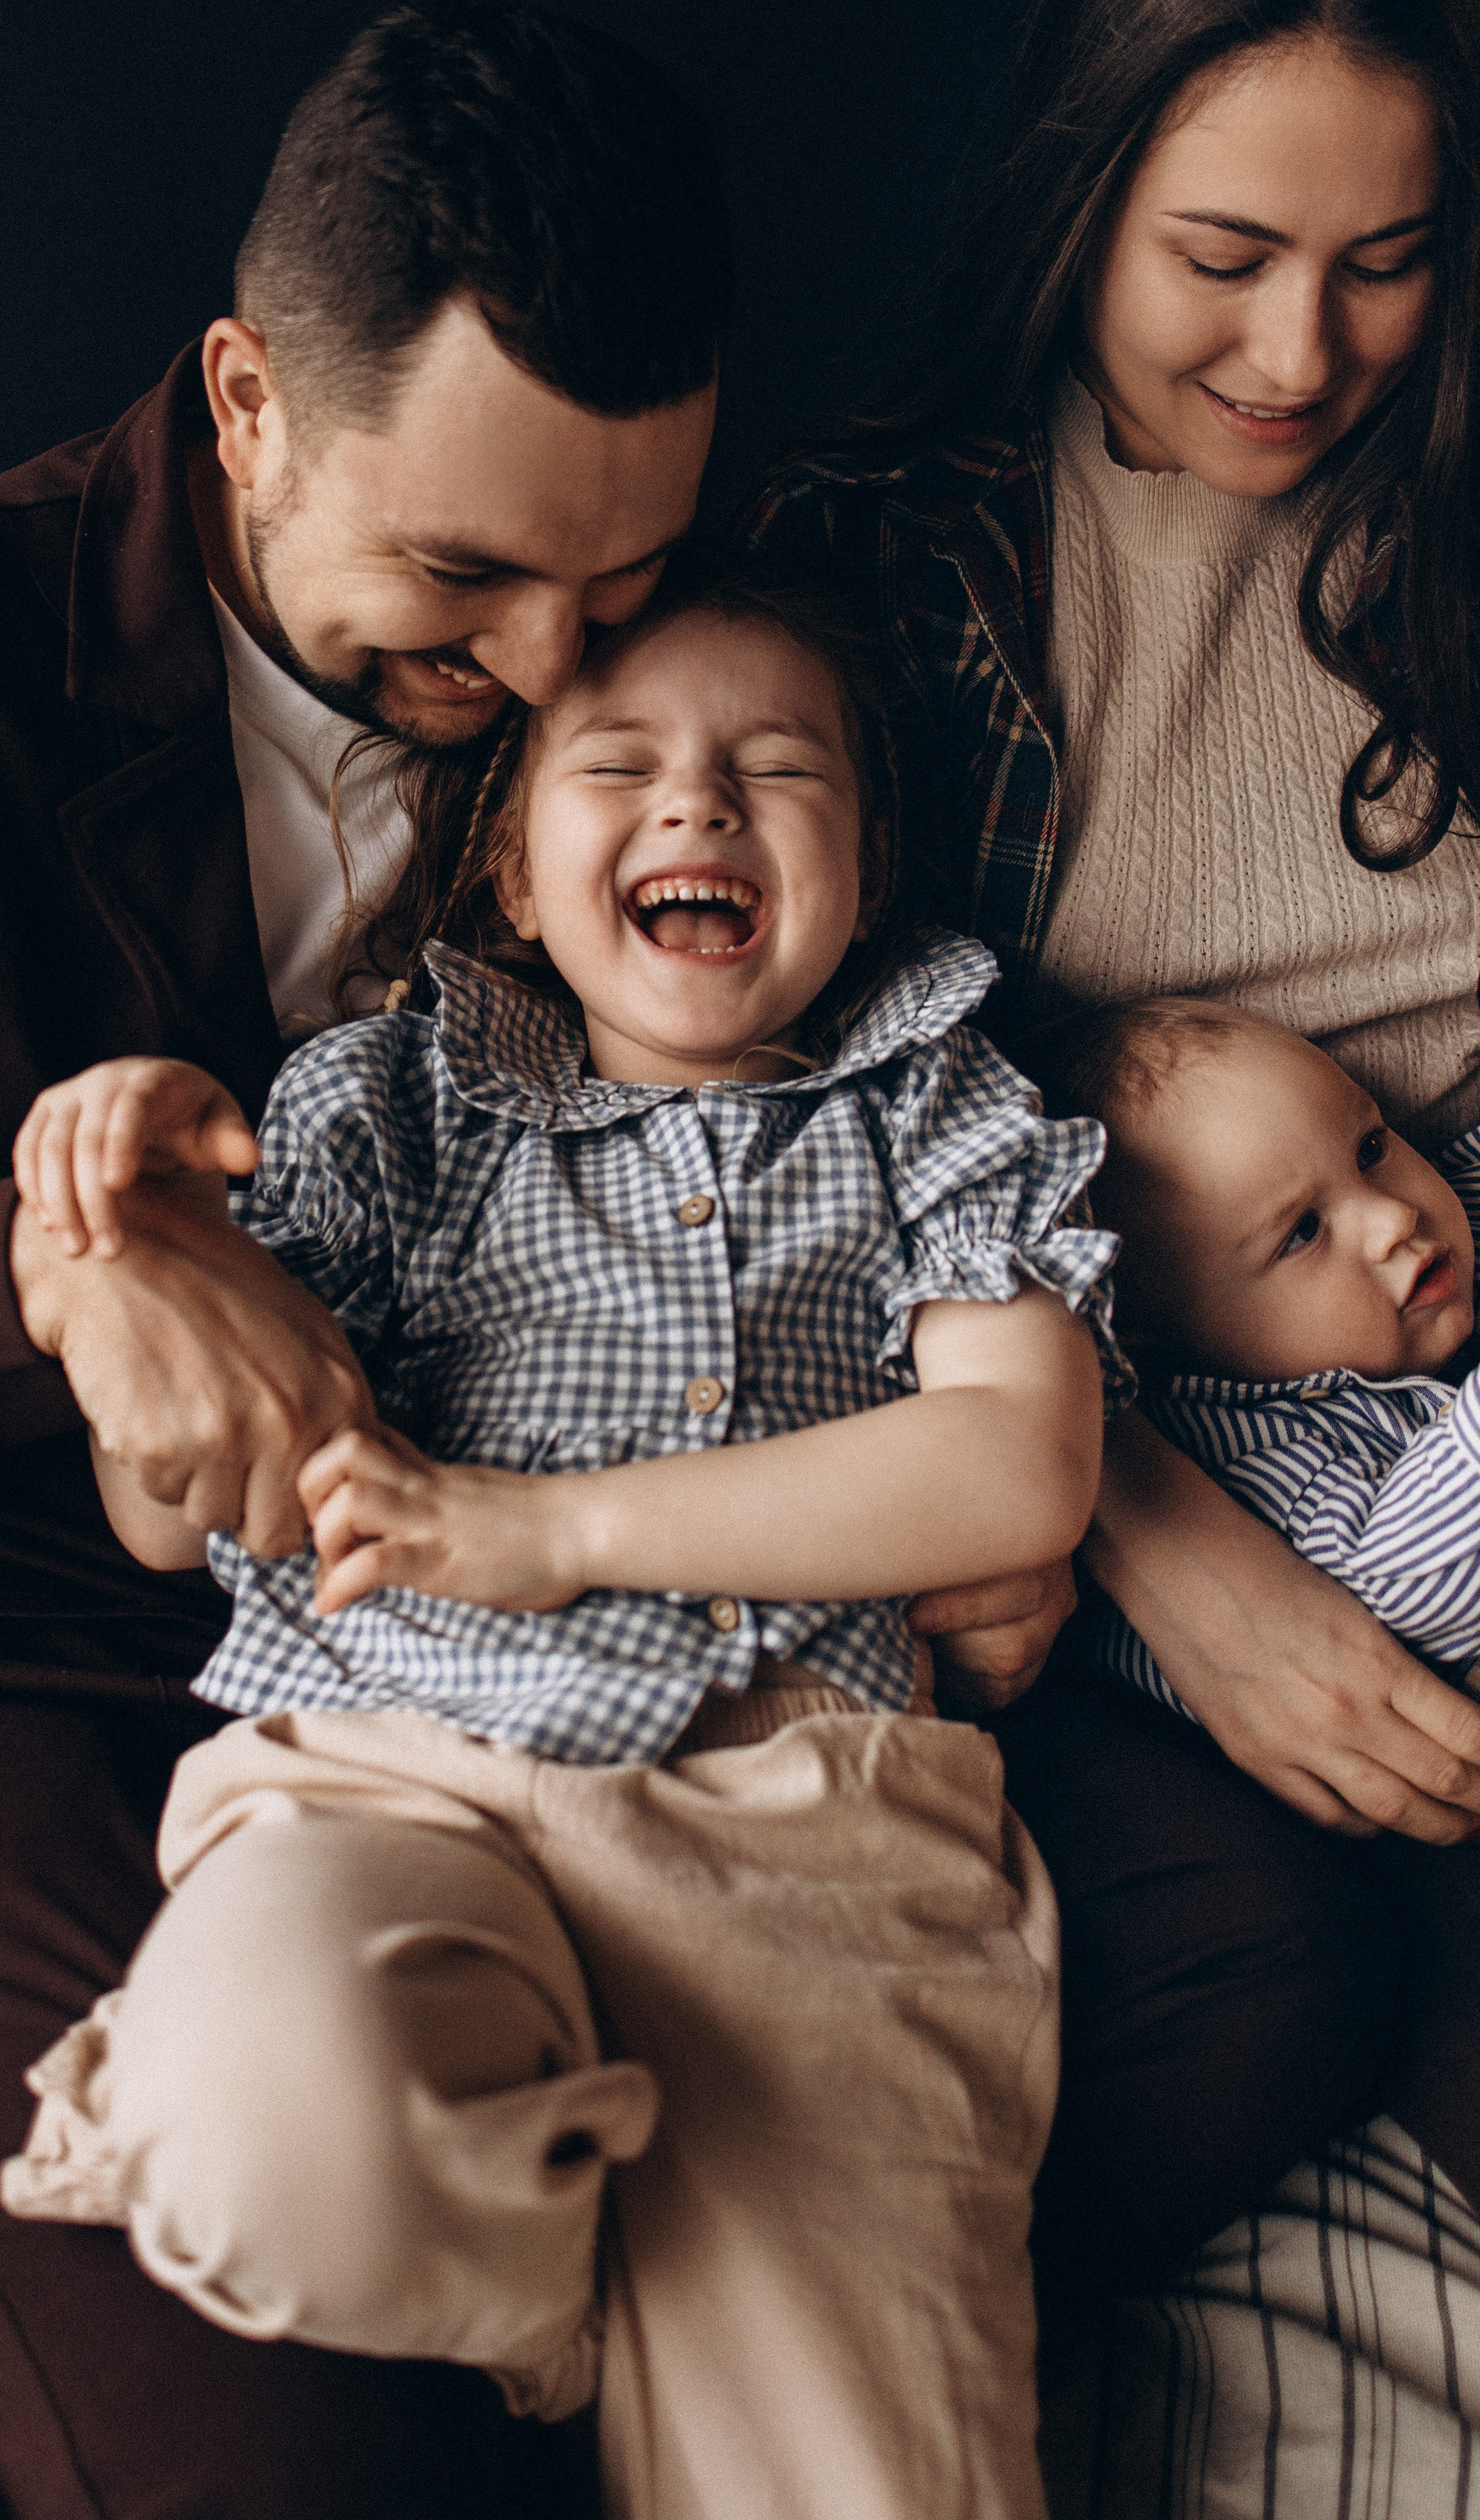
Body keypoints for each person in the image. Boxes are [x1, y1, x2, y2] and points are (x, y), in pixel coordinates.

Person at [748, 0, 1480, 2353]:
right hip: (1163, 1457)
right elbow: (783, 1143)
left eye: (1389, 264)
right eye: (1226, 259)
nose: (1302, 356)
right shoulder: (881, 567)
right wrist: (1160, 1541)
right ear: (1081, 210)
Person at [5, 574, 1112, 2520]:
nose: (699, 802)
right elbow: (164, 1521)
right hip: (391, 1778)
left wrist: (557, 1528)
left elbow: (1018, 1463)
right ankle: (571, 2267)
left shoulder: (936, 1104)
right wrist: (148, 1256)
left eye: (779, 770)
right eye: (622, 765)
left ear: (864, 874)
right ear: (513, 872)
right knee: (255, 2114)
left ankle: (678, 2278)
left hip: (808, 1834)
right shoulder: (377, 1103)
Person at [0, 7, 733, 2511]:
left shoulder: (682, 641)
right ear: (247, 404)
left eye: (622, 578)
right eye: (463, 576)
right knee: (288, 2444)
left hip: (567, 1613)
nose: (553, 670)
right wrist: (68, 1252)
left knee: (1238, 1962)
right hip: (72, 1664)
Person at [1055, 994, 1480, 1946]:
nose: (1393, 1218)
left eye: (1372, 1147)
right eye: (1302, 1232)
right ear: (1150, 1340)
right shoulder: (1229, 1452)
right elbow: (1408, 1606)